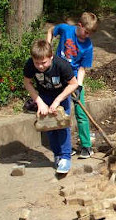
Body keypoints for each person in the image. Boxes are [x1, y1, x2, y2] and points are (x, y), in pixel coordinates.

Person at [46, 12, 98, 159]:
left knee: (81, 113)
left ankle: (86, 146)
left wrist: (79, 85)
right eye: (86, 32)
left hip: (74, 79)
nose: (87, 36)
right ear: (79, 25)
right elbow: (51, 31)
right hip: (57, 75)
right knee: (62, 111)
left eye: (90, 34)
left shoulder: (88, 46)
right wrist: (48, 47)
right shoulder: (66, 29)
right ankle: (65, 148)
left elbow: (82, 68)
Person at [23, 39, 78, 173]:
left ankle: (66, 157)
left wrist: (58, 100)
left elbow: (74, 84)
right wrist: (39, 102)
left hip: (61, 96)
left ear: (51, 57)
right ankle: (57, 155)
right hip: (44, 96)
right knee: (49, 127)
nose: (40, 66)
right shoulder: (30, 65)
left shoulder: (61, 65)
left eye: (44, 63)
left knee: (62, 125)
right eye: (37, 63)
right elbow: (27, 82)